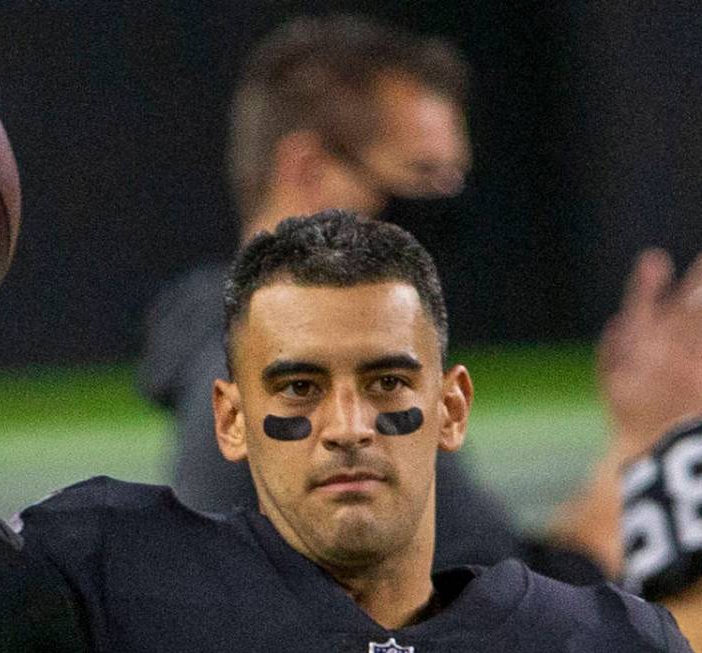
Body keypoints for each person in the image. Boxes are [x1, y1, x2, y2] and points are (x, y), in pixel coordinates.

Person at [0, 165, 696, 649]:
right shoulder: (119, 591)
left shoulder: (594, 638)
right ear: (229, 418)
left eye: (387, 383)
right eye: (297, 387)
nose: (347, 423)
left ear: (451, 408)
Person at [139, 14, 598, 579]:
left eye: (451, 181)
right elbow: (509, 604)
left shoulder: (219, 334)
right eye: (421, 175)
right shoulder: (327, 385)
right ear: (305, 167)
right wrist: (651, 443)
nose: (440, 208)